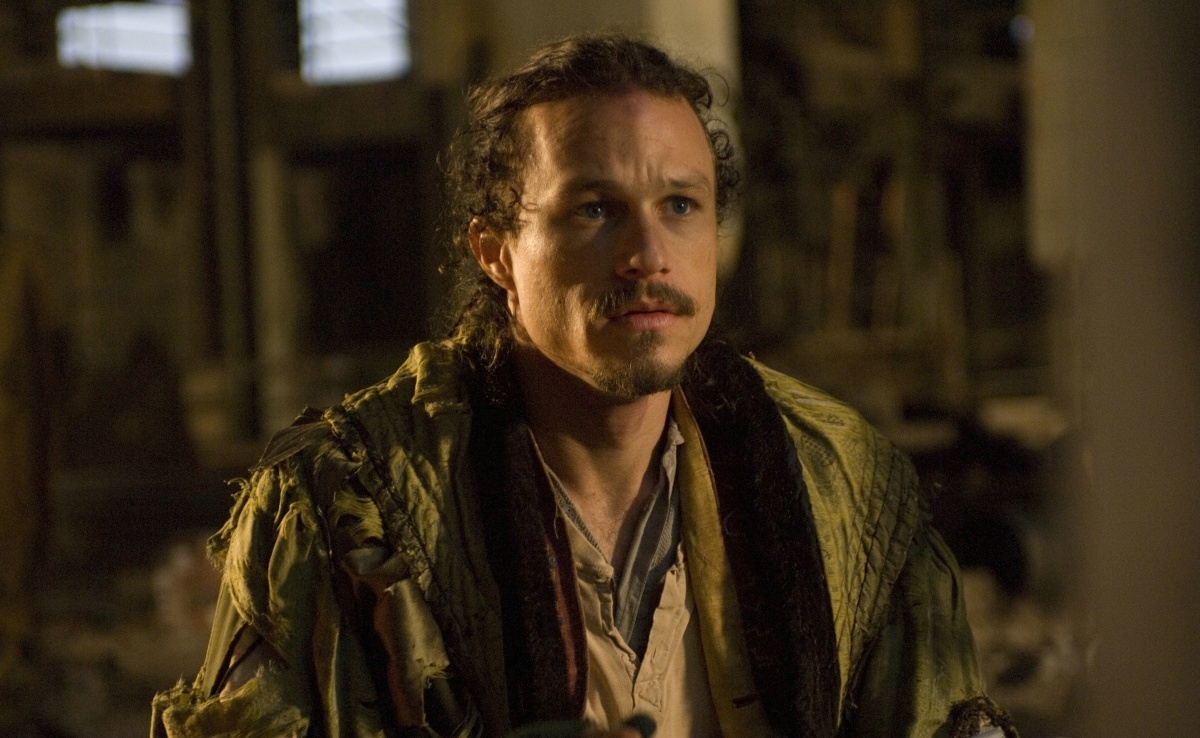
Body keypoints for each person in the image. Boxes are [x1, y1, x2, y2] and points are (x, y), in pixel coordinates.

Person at [152, 34, 1016, 738]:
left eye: (681, 205)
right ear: (496, 253)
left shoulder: (842, 486)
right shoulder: (345, 504)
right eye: (595, 210)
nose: (648, 256)